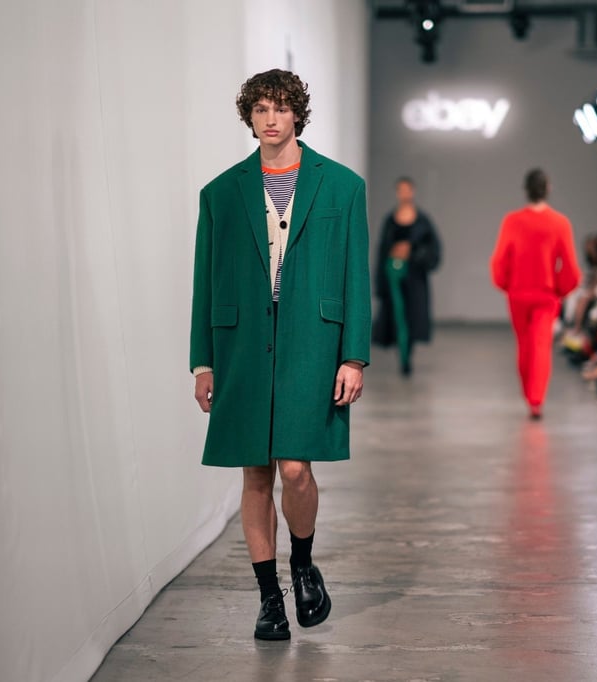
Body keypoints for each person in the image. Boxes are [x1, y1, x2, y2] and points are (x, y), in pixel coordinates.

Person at [189, 69, 371, 641]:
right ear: (250, 118)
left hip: (312, 345)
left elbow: (354, 277)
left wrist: (354, 356)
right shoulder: (220, 193)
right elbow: (204, 281)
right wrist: (203, 361)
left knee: (296, 468)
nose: (270, 119)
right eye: (261, 109)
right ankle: (269, 598)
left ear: (298, 115)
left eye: (281, 108)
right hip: (241, 346)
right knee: (255, 473)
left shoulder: (342, 187)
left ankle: (302, 560)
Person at [491, 168, 581, 419]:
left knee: (524, 345)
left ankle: (529, 395)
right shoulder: (559, 223)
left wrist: (506, 285)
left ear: (525, 189)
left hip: (519, 294)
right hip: (546, 294)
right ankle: (536, 399)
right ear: (548, 188)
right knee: (541, 345)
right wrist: (561, 290)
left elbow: (500, 259)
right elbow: (570, 265)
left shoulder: (512, 220)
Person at [372, 177, 441, 376]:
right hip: (392, 272)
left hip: (414, 275)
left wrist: (413, 252)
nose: (404, 194)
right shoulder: (390, 220)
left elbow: (433, 248)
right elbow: (382, 249)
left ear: (412, 191)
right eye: (400, 190)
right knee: (398, 314)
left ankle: (407, 353)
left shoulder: (422, 221)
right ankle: (403, 357)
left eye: (407, 190)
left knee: (411, 314)